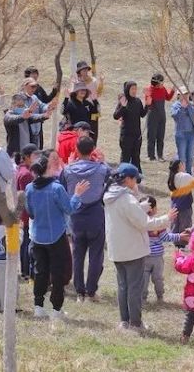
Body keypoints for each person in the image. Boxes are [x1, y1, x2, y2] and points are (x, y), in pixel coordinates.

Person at [103, 163, 174, 333]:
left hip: (117, 249)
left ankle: (124, 321)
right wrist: (166, 218)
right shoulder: (127, 199)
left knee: (123, 286)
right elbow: (145, 223)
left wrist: (139, 207)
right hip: (133, 250)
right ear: (128, 180)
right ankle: (135, 323)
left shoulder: (110, 195)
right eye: (135, 180)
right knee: (135, 287)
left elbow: (125, 214)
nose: (137, 183)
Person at [26, 158, 89, 321]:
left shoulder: (29, 188)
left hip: (37, 237)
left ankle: (38, 306)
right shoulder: (56, 188)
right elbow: (69, 208)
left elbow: (30, 212)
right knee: (58, 273)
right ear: (47, 168)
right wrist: (77, 194)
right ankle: (56, 309)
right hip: (56, 236)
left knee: (40, 272)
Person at [60, 136, 111, 302]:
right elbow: (113, 179)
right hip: (95, 213)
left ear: (76, 149)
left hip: (76, 214)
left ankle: (79, 291)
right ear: (93, 150)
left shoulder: (67, 170)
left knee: (77, 254)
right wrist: (104, 161)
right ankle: (91, 290)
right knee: (96, 255)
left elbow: (62, 189)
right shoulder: (101, 169)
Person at [142, 196, 183, 303]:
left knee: (144, 280)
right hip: (155, 258)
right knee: (157, 279)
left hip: (145, 257)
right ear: (153, 209)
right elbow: (165, 237)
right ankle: (159, 297)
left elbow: (165, 237)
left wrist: (179, 236)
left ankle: (144, 299)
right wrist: (179, 236)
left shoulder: (140, 223)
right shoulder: (158, 223)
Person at [113, 81, 148, 171]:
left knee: (136, 157)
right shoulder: (124, 101)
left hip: (137, 135)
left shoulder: (137, 101)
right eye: (132, 89)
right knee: (125, 158)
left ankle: (137, 176)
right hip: (126, 136)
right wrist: (123, 106)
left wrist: (147, 105)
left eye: (135, 89)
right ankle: (121, 175)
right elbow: (116, 116)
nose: (134, 91)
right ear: (127, 89)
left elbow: (142, 114)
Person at [15, 145, 37, 279]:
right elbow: (27, 196)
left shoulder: (21, 169)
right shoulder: (26, 174)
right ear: (28, 157)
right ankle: (26, 271)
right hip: (27, 213)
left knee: (25, 241)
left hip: (23, 212)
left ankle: (25, 270)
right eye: (35, 155)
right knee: (27, 243)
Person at [4, 93, 45, 157]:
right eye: (19, 106)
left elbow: (34, 117)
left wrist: (45, 115)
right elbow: (14, 119)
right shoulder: (8, 116)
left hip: (26, 152)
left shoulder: (26, 115)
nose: (22, 108)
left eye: (23, 105)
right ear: (12, 105)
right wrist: (23, 117)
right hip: (15, 153)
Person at [168, 160, 194, 244]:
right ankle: (183, 244)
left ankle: (176, 243)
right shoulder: (185, 176)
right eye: (182, 164)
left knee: (175, 225)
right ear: (179, 166)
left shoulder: (171, 177)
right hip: (185, 205)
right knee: (185, 225)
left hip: (174, 205)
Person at [170, 87, 194, 173]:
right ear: (178, 95)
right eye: (183, 94)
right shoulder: (175, 105)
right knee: (182, 157)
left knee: (190, 156)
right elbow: (175, 116)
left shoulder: (191, 105)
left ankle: (188, 174)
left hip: (192, 134)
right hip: (181, 135)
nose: (185, 96)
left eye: (186, 94)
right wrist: (182, 108)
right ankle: (181, 174)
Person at [20, 77, 54, 150]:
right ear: (25, 86)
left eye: (35, 86)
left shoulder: (34, 97)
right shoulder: (19, 98)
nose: (34, 89)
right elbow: (26, 115)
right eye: (32, 86)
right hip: (26, 133)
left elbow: (42, 106)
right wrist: (42, 116)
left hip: (36, 131)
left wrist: (48, 107)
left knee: (36, 153)